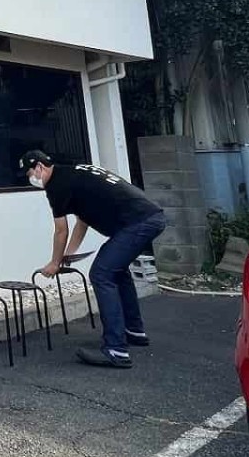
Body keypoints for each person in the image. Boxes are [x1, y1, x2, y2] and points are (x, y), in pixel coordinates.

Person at [20, 149, 167, 369]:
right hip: (149, 217)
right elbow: (83, 221)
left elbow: (61, 230)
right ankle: (134, 330)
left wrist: (53, 263)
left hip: (138, 222)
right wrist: (67, 255)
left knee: (101, 273)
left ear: (39, 167)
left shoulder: (56, 186)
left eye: (30, 173)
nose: (31, 179)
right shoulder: (74, 172)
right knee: (117, 271)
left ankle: (116, 350)